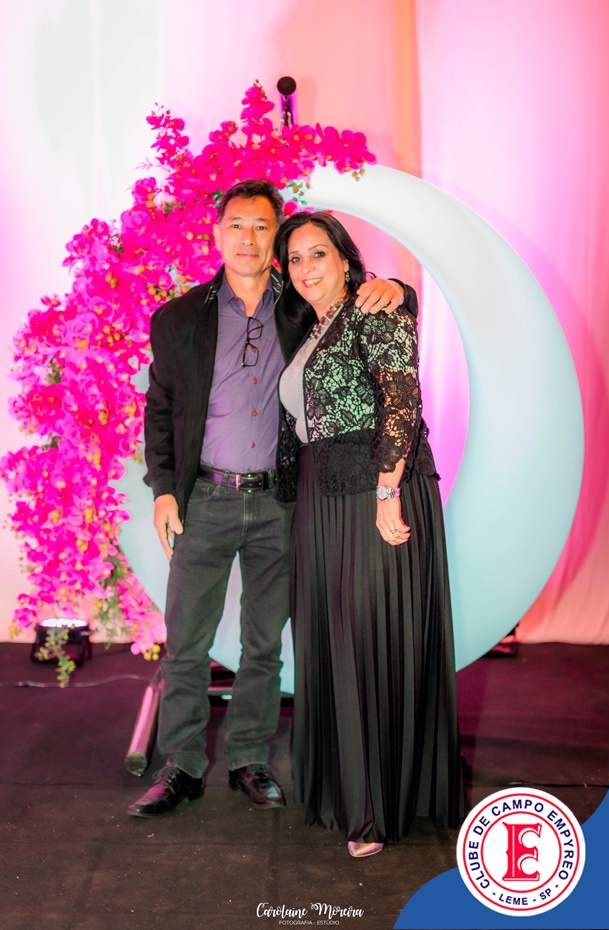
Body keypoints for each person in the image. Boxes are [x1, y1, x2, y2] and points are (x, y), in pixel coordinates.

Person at [128, 180, 415, 817]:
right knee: (186, 642)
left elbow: (362, 308)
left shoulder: (300, 306)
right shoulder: (179, 318)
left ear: (277, 237)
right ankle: (181, 764)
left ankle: (248, 757)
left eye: (262, 227)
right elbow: (160, 410)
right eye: (237, 224)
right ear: (217, 232)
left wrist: (400, 290)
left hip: (282, 501)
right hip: (204, 500)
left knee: (264, 642)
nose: (248, 238)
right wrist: (164, 491)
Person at [275, 212, 463, 857]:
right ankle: (348, 789)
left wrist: (387, 492)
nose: (306, 268)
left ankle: (373, 810)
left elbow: (401, 399)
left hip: (373, 490)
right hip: (321, 495)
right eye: (295, 259)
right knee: (332, 637)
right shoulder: (311, 324)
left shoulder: (374, 308)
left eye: (318, 254)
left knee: (365, 638)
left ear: (345, 258)